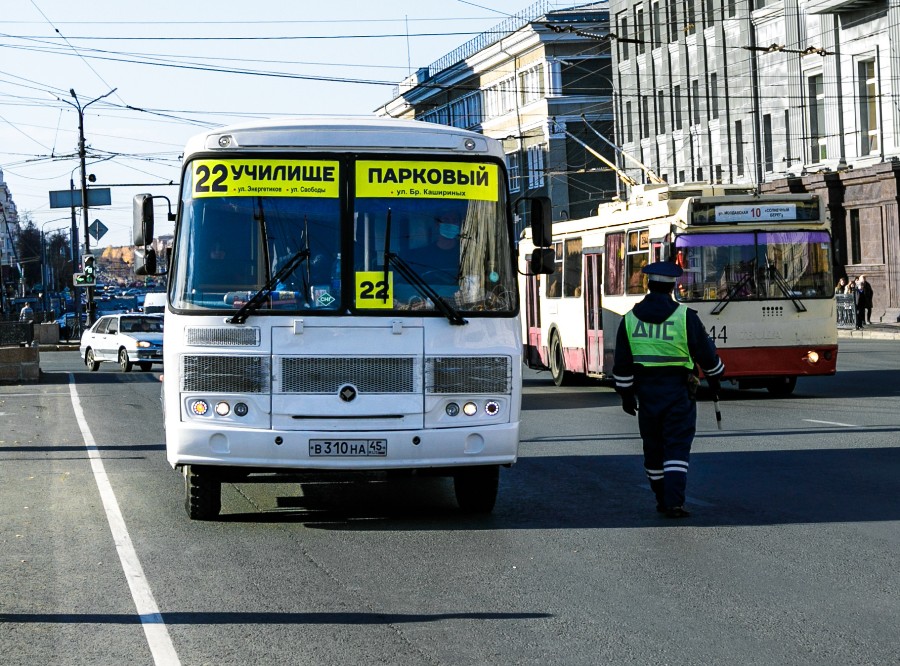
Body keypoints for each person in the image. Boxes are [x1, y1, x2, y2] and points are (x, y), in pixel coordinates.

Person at [613, 261, 725, 519]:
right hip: (678, 395)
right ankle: (673, 501)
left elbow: (622, 365)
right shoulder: (685, 317)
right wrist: (717, 374)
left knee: (652, 449)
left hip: (647, 395)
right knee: (676, 448)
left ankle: (661, 495)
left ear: (648, 285)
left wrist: (627, 396)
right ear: (672, 287)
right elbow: (707, 356)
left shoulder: (629, 320)